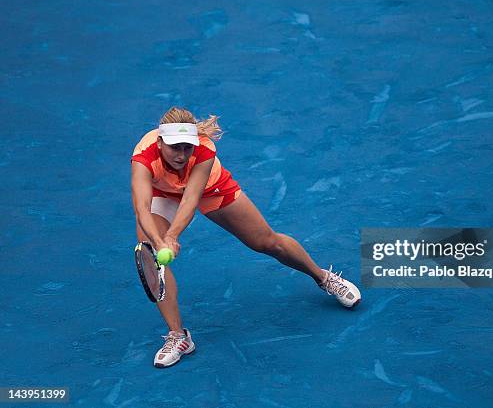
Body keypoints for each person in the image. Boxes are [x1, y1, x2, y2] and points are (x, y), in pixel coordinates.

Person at [131, 107, 361, 368]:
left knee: (265, 241)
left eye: (187, 147)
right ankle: (178, 336)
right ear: (160, 142)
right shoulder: (143, 155)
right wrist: (160, 242)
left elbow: (191, 200)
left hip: (210, 188)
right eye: (175, 148)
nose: (182, 155)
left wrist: (172, 235)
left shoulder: (204, 150)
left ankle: (323, 278)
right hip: (162, 195)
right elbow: (142, 208)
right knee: (153, 255)